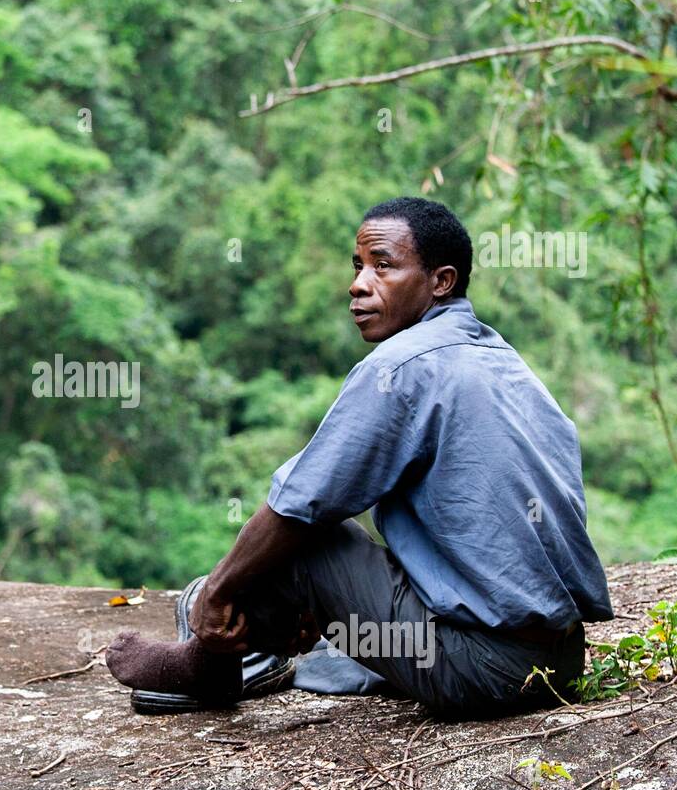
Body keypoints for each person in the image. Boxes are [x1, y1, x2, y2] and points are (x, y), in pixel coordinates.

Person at [106, 197, 614, 719]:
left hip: (484, 668)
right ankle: (270, 634)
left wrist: (214, 596)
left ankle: (209, 662)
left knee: (307, 539)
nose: (358, 284)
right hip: (560, 658)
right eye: (358, 266)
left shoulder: (402, 365)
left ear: (440, 282)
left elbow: (300, 506)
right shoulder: (502, 360)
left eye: (384, 265)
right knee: (320, 541)